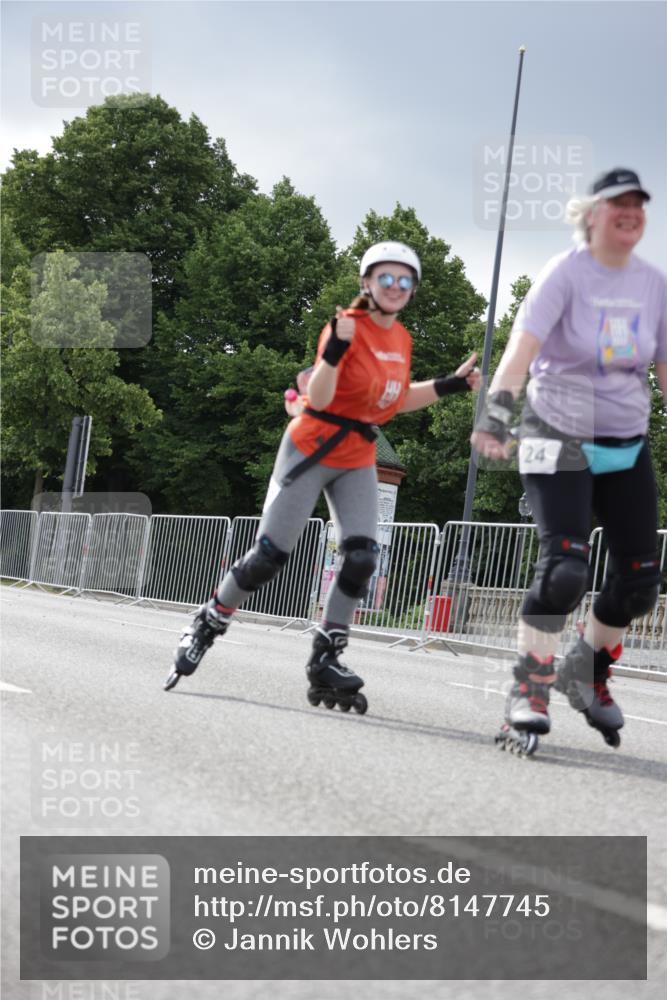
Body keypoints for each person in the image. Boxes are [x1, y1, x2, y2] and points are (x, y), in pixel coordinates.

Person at [165, 241, 481, 710]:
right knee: (269, 557)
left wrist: (450, 385)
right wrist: (334, 351)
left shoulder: (402, 340)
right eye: (385, 278)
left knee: (361, 557)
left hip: (356, 453)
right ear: (367, 283)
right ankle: (209, 620)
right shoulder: (344, 326)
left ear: (413, 289)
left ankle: (325, 658)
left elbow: (392, 403)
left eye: (404, 280)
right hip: (312, 446)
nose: (395, 287)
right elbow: (322, 392)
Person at [472, 168, 667, 753]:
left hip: (624, 442)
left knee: (639, 582)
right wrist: (496, 415)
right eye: (617, 204)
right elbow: (520, 351)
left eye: (638, 203)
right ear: (591, 215)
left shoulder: (654, 284)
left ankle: (587, 670)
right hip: (557, 433)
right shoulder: (566, 273)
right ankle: (528, 688)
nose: (629, 212)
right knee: (565, 571)